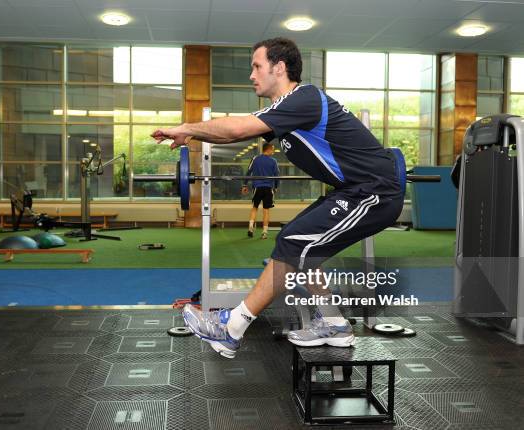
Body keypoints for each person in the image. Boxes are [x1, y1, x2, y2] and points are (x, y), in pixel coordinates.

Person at [151, 37, 404, 358]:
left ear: (279, 67)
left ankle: (231, 329)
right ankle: (334, 324)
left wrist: (187, 125)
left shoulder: (305, 98)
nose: (251, 75)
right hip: (352, 191)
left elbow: (238, 129)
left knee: (294, 242)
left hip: (374, 192)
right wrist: (193, 133)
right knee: (300, 247)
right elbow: (239, 127)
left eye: (257, 66)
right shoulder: (287, 109)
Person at [242, 142, 279, 240]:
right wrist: (276, 187)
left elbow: (248, 172)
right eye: (273, 149)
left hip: (257, 187)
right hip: (268, 188)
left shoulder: (255, 159)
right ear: (269, 149)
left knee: (254, 208)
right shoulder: (273, 161)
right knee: (266, 210)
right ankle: (264, 233)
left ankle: (250, 228)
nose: (274, 151)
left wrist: (245, 184)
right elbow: (277, 176)